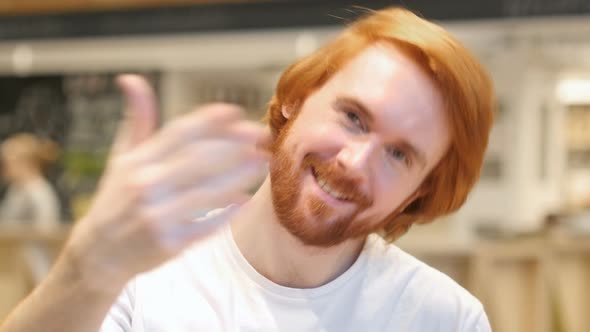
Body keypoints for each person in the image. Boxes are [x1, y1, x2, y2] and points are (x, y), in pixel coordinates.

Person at [0, 7, 495, 332]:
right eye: (353, 117)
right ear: (296, 100)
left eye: (400, 155)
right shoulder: (147, 274)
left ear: (418, 192)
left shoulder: (444, 318)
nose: (354, 162)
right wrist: (84, 269)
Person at [0, 133, 62, 285]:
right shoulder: (16, 191)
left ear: (24, 163)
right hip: (12, 260)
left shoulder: (39, 192)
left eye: (7, 163)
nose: (5, 169)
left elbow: (46, 229)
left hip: (32, 262)